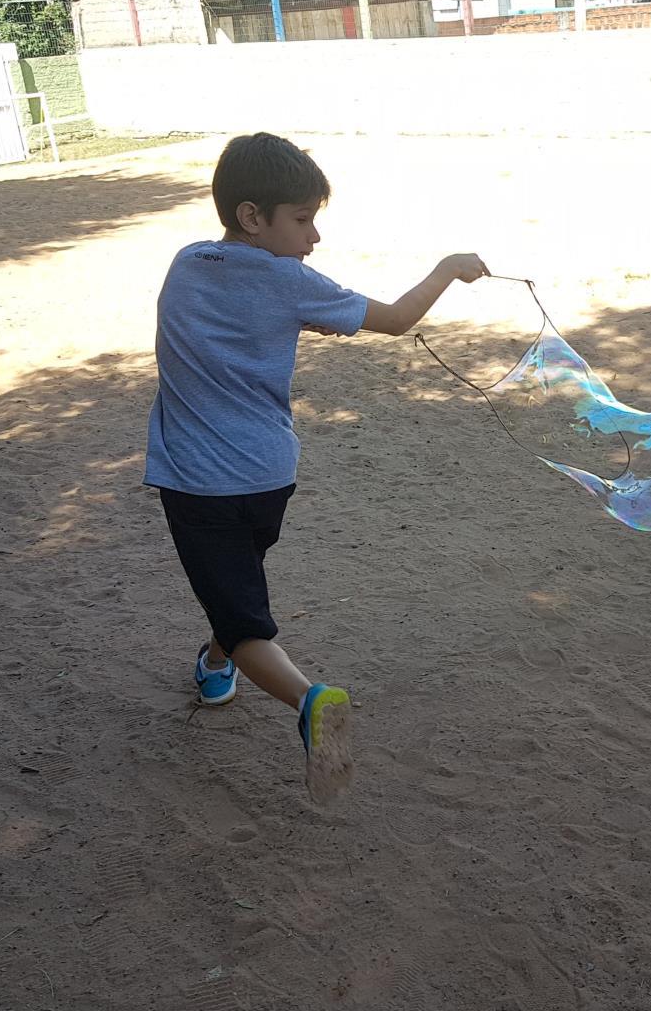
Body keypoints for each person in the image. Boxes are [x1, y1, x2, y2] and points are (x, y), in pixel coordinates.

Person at [144, 132, 488, 803]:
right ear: (253, 216)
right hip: (270, 476)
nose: (314, 236)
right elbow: (393, 320)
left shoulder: (185, 264)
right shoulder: (293, 284)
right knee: (237, 585)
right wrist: (447, 267)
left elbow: (227, 308)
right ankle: (216, 666)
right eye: (301, 220)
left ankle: (309, 698)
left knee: (243, 616)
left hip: (198, 482)